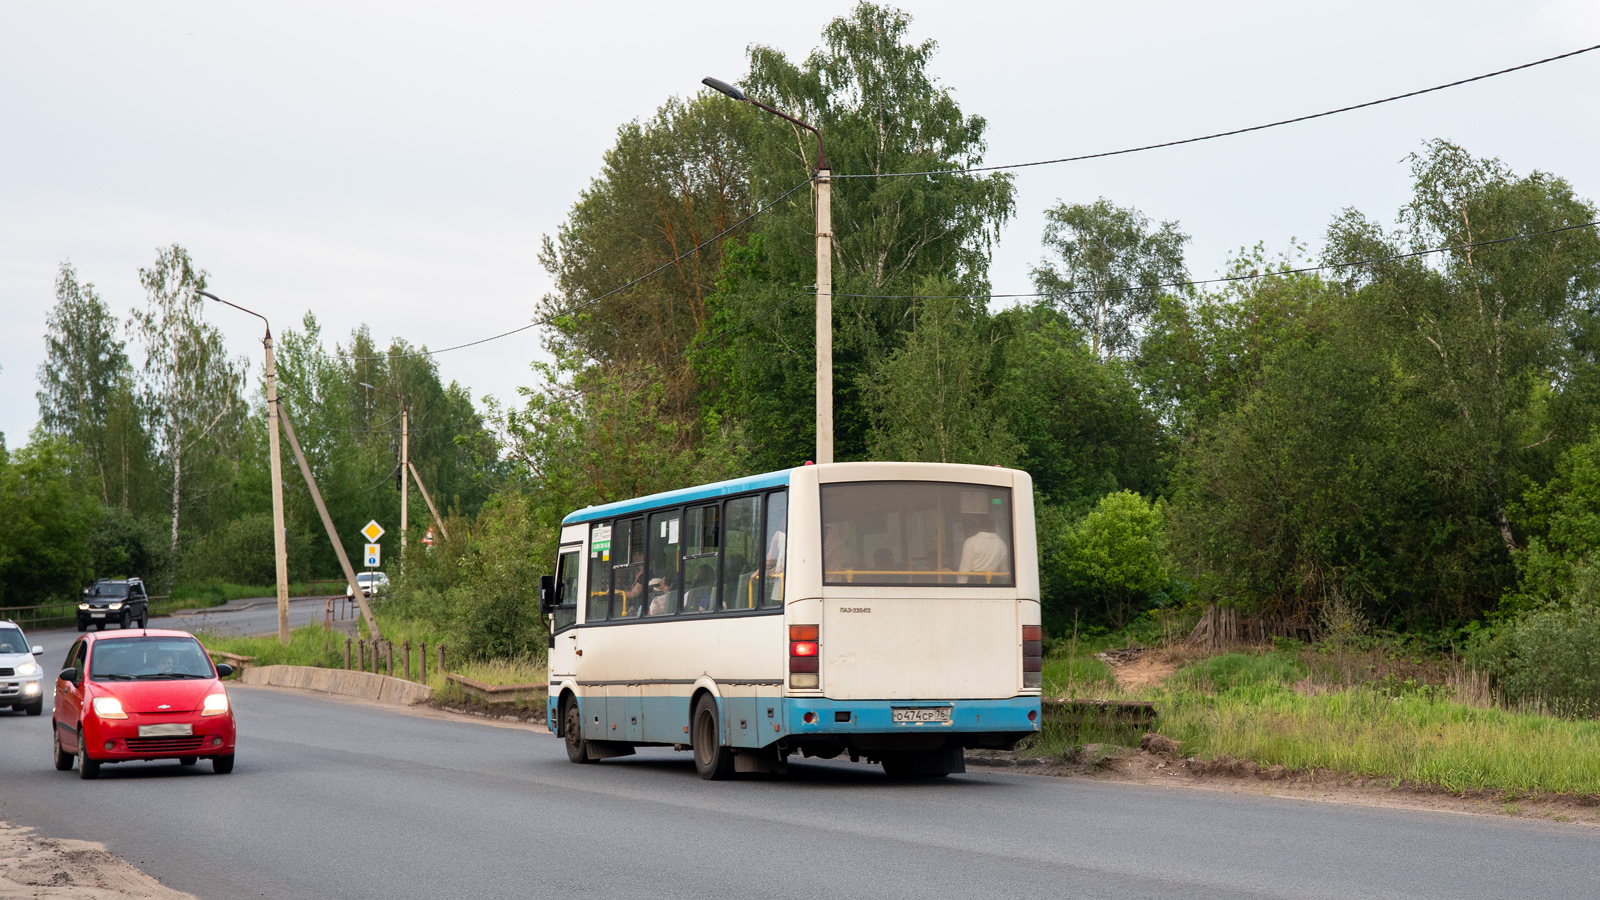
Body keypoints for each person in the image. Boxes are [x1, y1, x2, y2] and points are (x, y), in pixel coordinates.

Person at [957, 514, 1009, 584]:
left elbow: (964, 570)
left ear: (978, 525)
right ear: (993, 526)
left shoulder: (970, 542)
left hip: (974, 581)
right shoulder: (1001, 544)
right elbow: (1004, 572)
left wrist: (960, 587)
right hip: (994, 582)